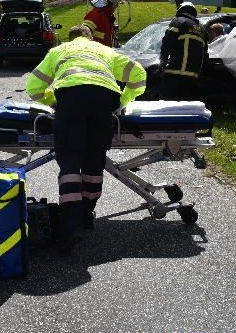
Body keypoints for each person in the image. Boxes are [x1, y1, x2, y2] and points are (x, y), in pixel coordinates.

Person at [25, 25, 146, 252]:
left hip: (70, 99)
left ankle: (71, 228)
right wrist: (122, 102)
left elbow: (33, 87)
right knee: (94, 161)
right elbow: (139, 75)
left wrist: (54, 103)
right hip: (104, 100)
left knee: (70, 164)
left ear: (69, 39)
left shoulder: (58, 52)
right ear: (90, 37)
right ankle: (86, 215)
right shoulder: (105, 51)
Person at [159, 2, 208, 100]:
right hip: (193, 75)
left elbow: (167, 42)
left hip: (175, 72)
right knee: (185, 105)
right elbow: (205, 54)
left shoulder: (178, 21)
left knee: (167, 102)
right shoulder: (202, 30)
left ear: (180, 11)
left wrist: (163, 61)